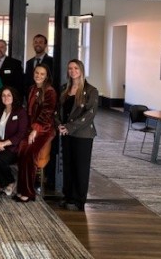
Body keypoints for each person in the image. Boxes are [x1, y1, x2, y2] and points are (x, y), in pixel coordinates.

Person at [57, 59, 99, 212]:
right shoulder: (64, 89)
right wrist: (59, 125)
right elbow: (58, 111)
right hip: (66, 133)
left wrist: (69, 127)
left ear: (81, 70)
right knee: (67, 166)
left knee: (80, 167)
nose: (72, 71)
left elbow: (89, 115)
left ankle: (78, 199)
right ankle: (68, 195)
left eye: (75, 68)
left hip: (83, 134)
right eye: (70, 68)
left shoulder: (91, 90)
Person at [14, 63, 57, 203]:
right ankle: (21, 189)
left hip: (44, 130)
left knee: (29, 155)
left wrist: (35, 130)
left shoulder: (50, 91)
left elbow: (47, 113)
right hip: (31, 128)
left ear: (46, 76)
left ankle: (29, 193)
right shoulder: (31, 88)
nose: (38, 76)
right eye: (37, 73)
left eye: (42, 74)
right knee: (21, 152)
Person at [0, 86, 28, 197]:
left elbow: (21, 134)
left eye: (9, 95)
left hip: (13, 147)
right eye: (3, 95)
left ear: (14, 96)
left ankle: (10, 182)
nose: (6, 97)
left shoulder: (21, 112)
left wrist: (3, 144)